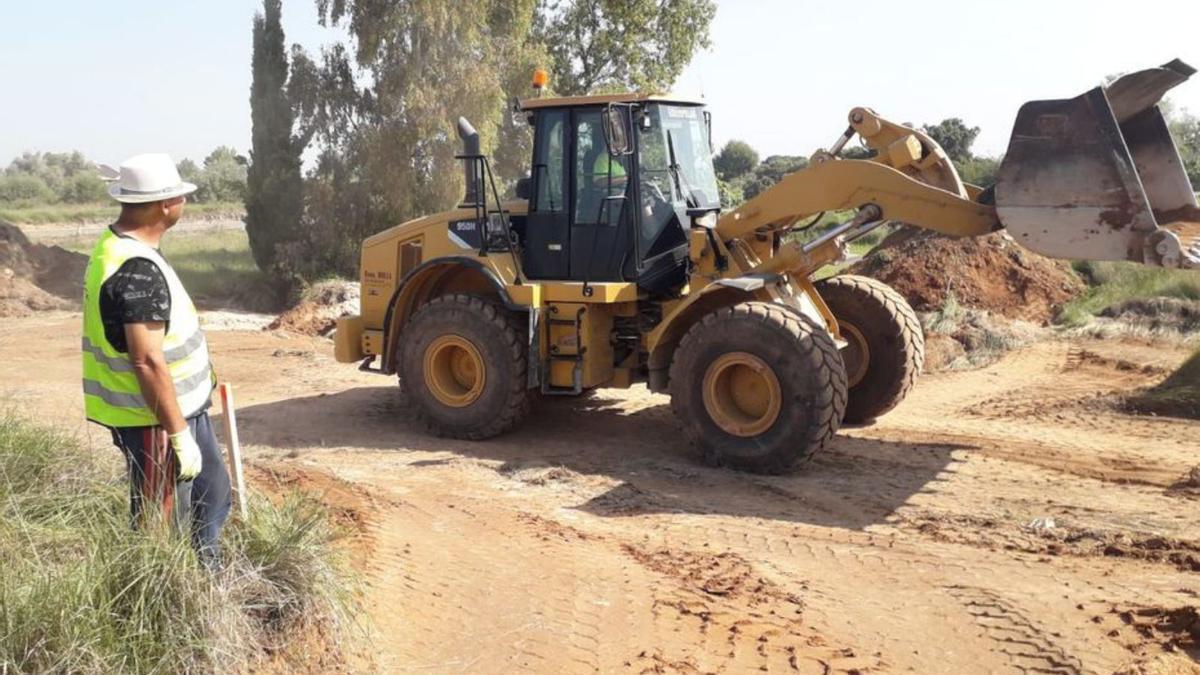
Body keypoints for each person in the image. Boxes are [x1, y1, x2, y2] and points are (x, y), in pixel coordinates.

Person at [82, 153, 231, 567]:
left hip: (175, 411)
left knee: (210, 495)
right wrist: (178, 434)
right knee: (161, 523)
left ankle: (207, 578)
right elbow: (146, 361)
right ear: (166, 205)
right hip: (155, 420)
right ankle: (167, 605)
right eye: (180, 197)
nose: (184, 203)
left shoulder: (122, 249)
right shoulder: (135, 268)